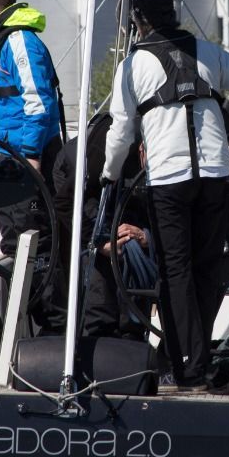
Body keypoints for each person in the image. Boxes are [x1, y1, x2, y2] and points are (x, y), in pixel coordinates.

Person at [101, 0, 229, 390]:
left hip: (167, 180)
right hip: (215, 173)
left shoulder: (132, 65)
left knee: (174, 271)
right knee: (207, 268)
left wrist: (109, 175)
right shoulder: (208, 52)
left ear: (137, 20)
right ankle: (197, 357)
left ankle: (186, 367)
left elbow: (121, 133)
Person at [0, 0, 65, 253]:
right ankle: (20, 294)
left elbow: (38, 102)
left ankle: (40, 297)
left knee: (34, 242)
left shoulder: (19, 41)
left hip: (26, 159)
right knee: (14, 242)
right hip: (6, 157)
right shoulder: (2, 42)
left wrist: (31, 154)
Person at [52, 113, 152, 340]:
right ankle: (97, 334)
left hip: (125, 189)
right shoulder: (105, 146)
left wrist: (146, 237)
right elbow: (66, 203)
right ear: (142, 149)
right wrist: (100, 242)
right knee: (99, 260)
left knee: (131, 247)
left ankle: (132, 336)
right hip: (78, 178)